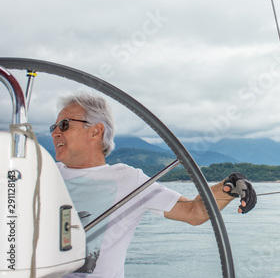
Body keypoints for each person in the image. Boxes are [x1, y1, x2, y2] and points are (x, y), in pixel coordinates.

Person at [50, 92, 256, 278]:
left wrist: (231, 186)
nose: (55, 132)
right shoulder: (44, 174)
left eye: (64, 124)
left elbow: (193, 212)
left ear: (96, 131)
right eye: (54, 127)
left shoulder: (129, 180)